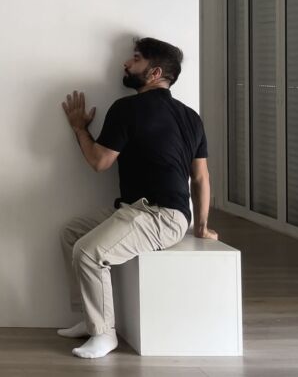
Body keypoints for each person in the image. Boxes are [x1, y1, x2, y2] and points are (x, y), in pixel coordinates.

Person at [57, 37, 219, 359]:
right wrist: (199, 225)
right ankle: (91, 319)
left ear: (154, 71)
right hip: (149, 211)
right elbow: (200, 178)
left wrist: (79, 129)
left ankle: (105, 335)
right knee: (72, 232)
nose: (126, 64)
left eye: (135, 59)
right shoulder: (191, 116)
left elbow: (99, 162)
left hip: (158, 215)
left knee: (88, 252)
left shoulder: (127, 108)